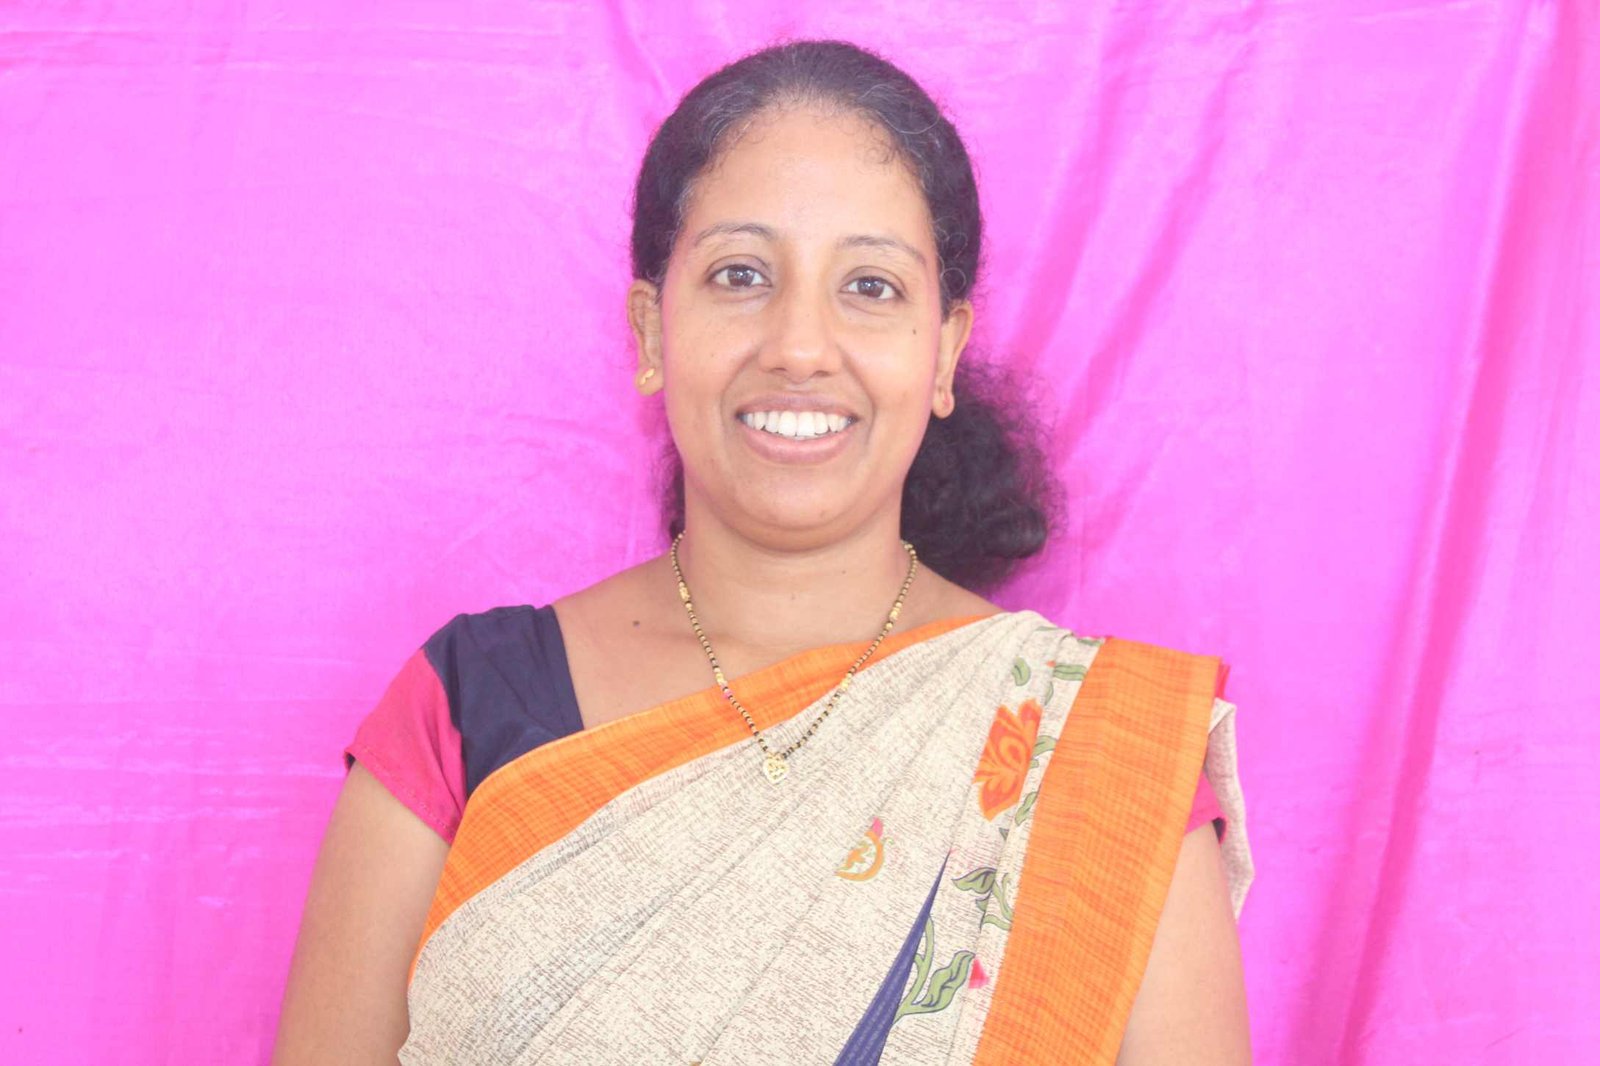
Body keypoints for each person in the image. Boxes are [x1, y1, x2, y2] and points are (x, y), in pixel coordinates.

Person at [273, 38, 1254, 1065]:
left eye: (870, 285)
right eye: (740, 275)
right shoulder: (465, 711)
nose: (798, 346)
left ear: (944, 352)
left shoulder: (1097, 754)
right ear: (652, 331)